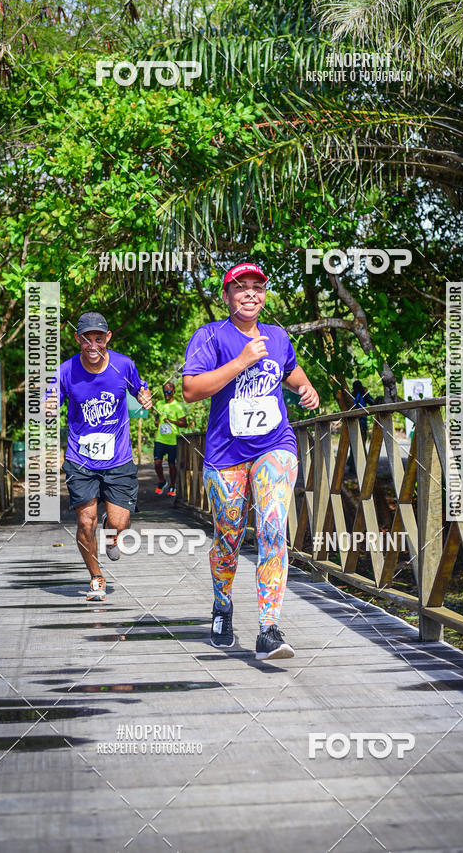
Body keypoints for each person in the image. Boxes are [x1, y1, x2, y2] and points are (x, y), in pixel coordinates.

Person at [182, 262, 319, 660]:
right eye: (240, 288)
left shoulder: (277, 337)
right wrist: (241, 361)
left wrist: (306, 388)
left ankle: (268, 629)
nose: (250, 294)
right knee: (228, 537)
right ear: (226, 296)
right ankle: (222, 607)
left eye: (257, 288)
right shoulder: (210, 337)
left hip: (274, 445)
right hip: (226, 454)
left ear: (264, 294)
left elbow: (290, 373)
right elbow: (191, 389)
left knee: (274, 527)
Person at [52, 312, 152, 601]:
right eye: (86, 339)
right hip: (80, 458)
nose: (92, 345)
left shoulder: (124, 365)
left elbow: (140, 389)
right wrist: (46, 405)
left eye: (98, 338)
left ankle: (112, 535)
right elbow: (50, 399)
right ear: (78, 339)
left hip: (118, 459)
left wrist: (144, 395)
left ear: (107, 338)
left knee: (119, 522)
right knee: (85, 522)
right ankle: (96, 577)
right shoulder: (66, 371)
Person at [153, 381, 187, 497]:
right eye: (164, 391)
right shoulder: (159, 404)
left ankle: (172, 485)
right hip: (160, 439)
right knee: (157, 463)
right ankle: (162, 481)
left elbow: (184, 423)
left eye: (168, 391)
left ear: (173, 391)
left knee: (172, 465)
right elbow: (157, 417)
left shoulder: (177, 406)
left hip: (172, 440)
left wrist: (172, 421)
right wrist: (157, 422)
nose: (166, 393)